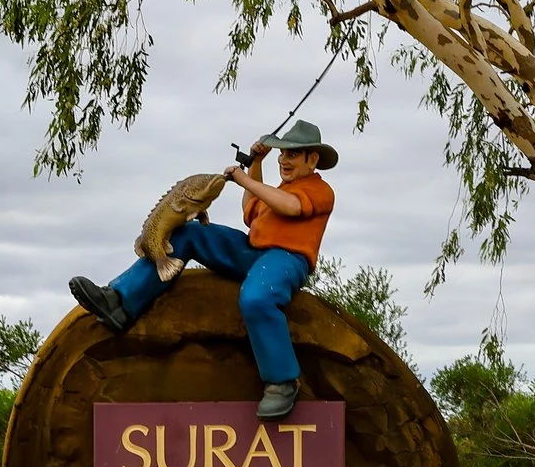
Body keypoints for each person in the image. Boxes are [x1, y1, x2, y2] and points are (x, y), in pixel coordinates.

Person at [70, 119, 339, 419]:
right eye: (282, 153)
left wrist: (244, 179)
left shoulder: (319, 191)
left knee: (256, 298)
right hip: (253, 251)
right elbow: (249, 213)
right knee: (188, 233)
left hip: (286, 259)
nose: (284, 160)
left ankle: (282, 381)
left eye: (292, 154)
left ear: (312, 159)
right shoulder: (276, 190)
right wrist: (256, 165)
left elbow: (291, 207)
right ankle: (120, 301)